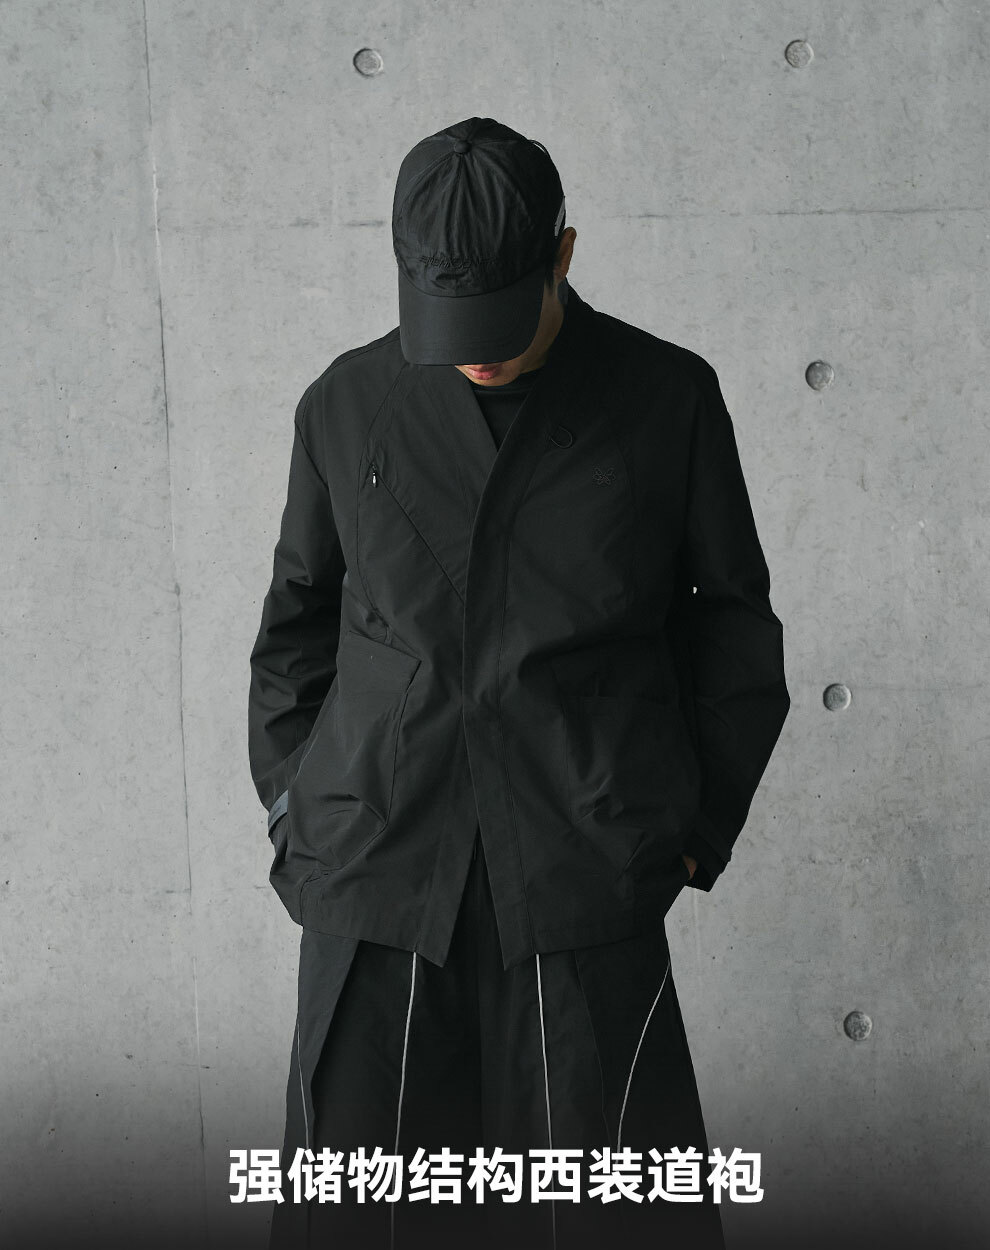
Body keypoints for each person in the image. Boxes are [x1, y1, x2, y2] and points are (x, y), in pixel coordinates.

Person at [248, 115, 790, 1250]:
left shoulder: (665, 396)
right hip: (378, 866)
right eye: (445, 322)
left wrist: (691, 829)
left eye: (496, 317)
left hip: (581, 860)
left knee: (602, 1210)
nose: (475, 353)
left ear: (563, 254)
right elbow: (296, 626)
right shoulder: (347, 403)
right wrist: (299, 809)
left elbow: (734, 627)